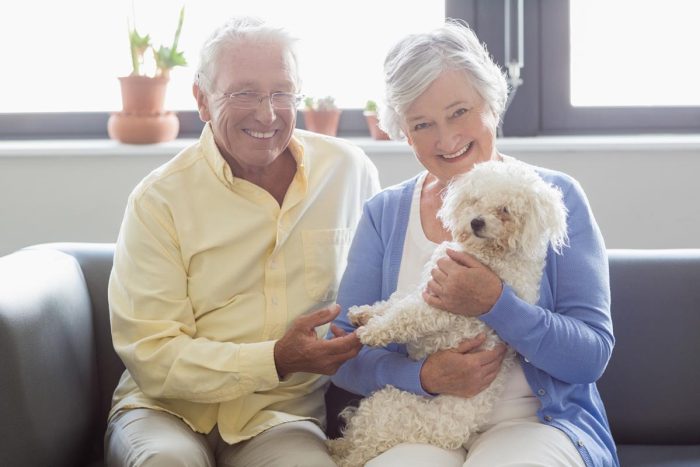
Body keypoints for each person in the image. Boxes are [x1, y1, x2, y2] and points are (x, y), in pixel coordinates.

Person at [330, 19, 619, 467]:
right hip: (419, 418)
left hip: (535, 423)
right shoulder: (384, 214)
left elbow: (590, 355)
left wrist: (496, 303)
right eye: (422, 124)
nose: (446, 139)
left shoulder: (553, 201)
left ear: (491, 103)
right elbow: (343, 351)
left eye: (459, 112)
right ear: (404, 133)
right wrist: (422, 375)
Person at [104, 16, 380, 467]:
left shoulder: (348, 171)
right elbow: (153, 356)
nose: (267, 113)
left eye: (281, 93)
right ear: (203, 100)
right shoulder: (158, 200)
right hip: (166, 411)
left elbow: (385, 287)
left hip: (281, 416)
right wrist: (275, 358)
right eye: (244, 93)